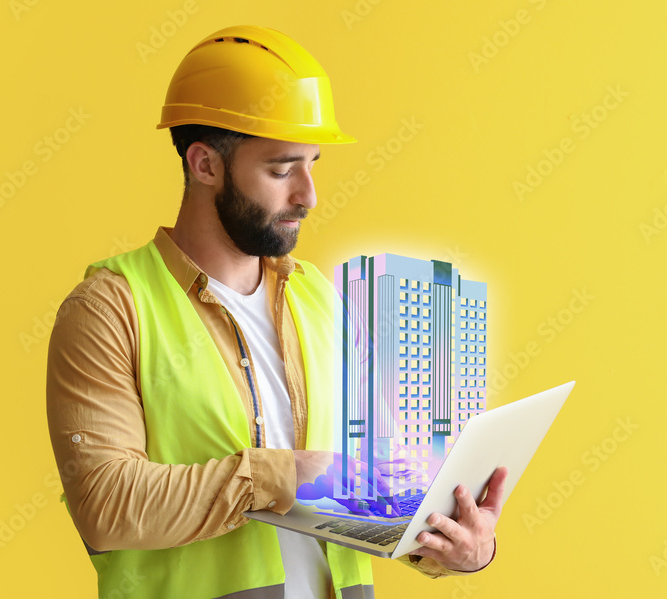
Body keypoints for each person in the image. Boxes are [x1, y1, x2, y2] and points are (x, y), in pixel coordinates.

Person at [45, 24, 506, 599]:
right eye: (282, 169)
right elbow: (107, 505)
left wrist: (457, 544)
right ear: (205, 164)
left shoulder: (322, 299)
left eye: (312, 164)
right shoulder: (110, 309)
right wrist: (288, 475)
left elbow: (380, 499)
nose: (308, 194)